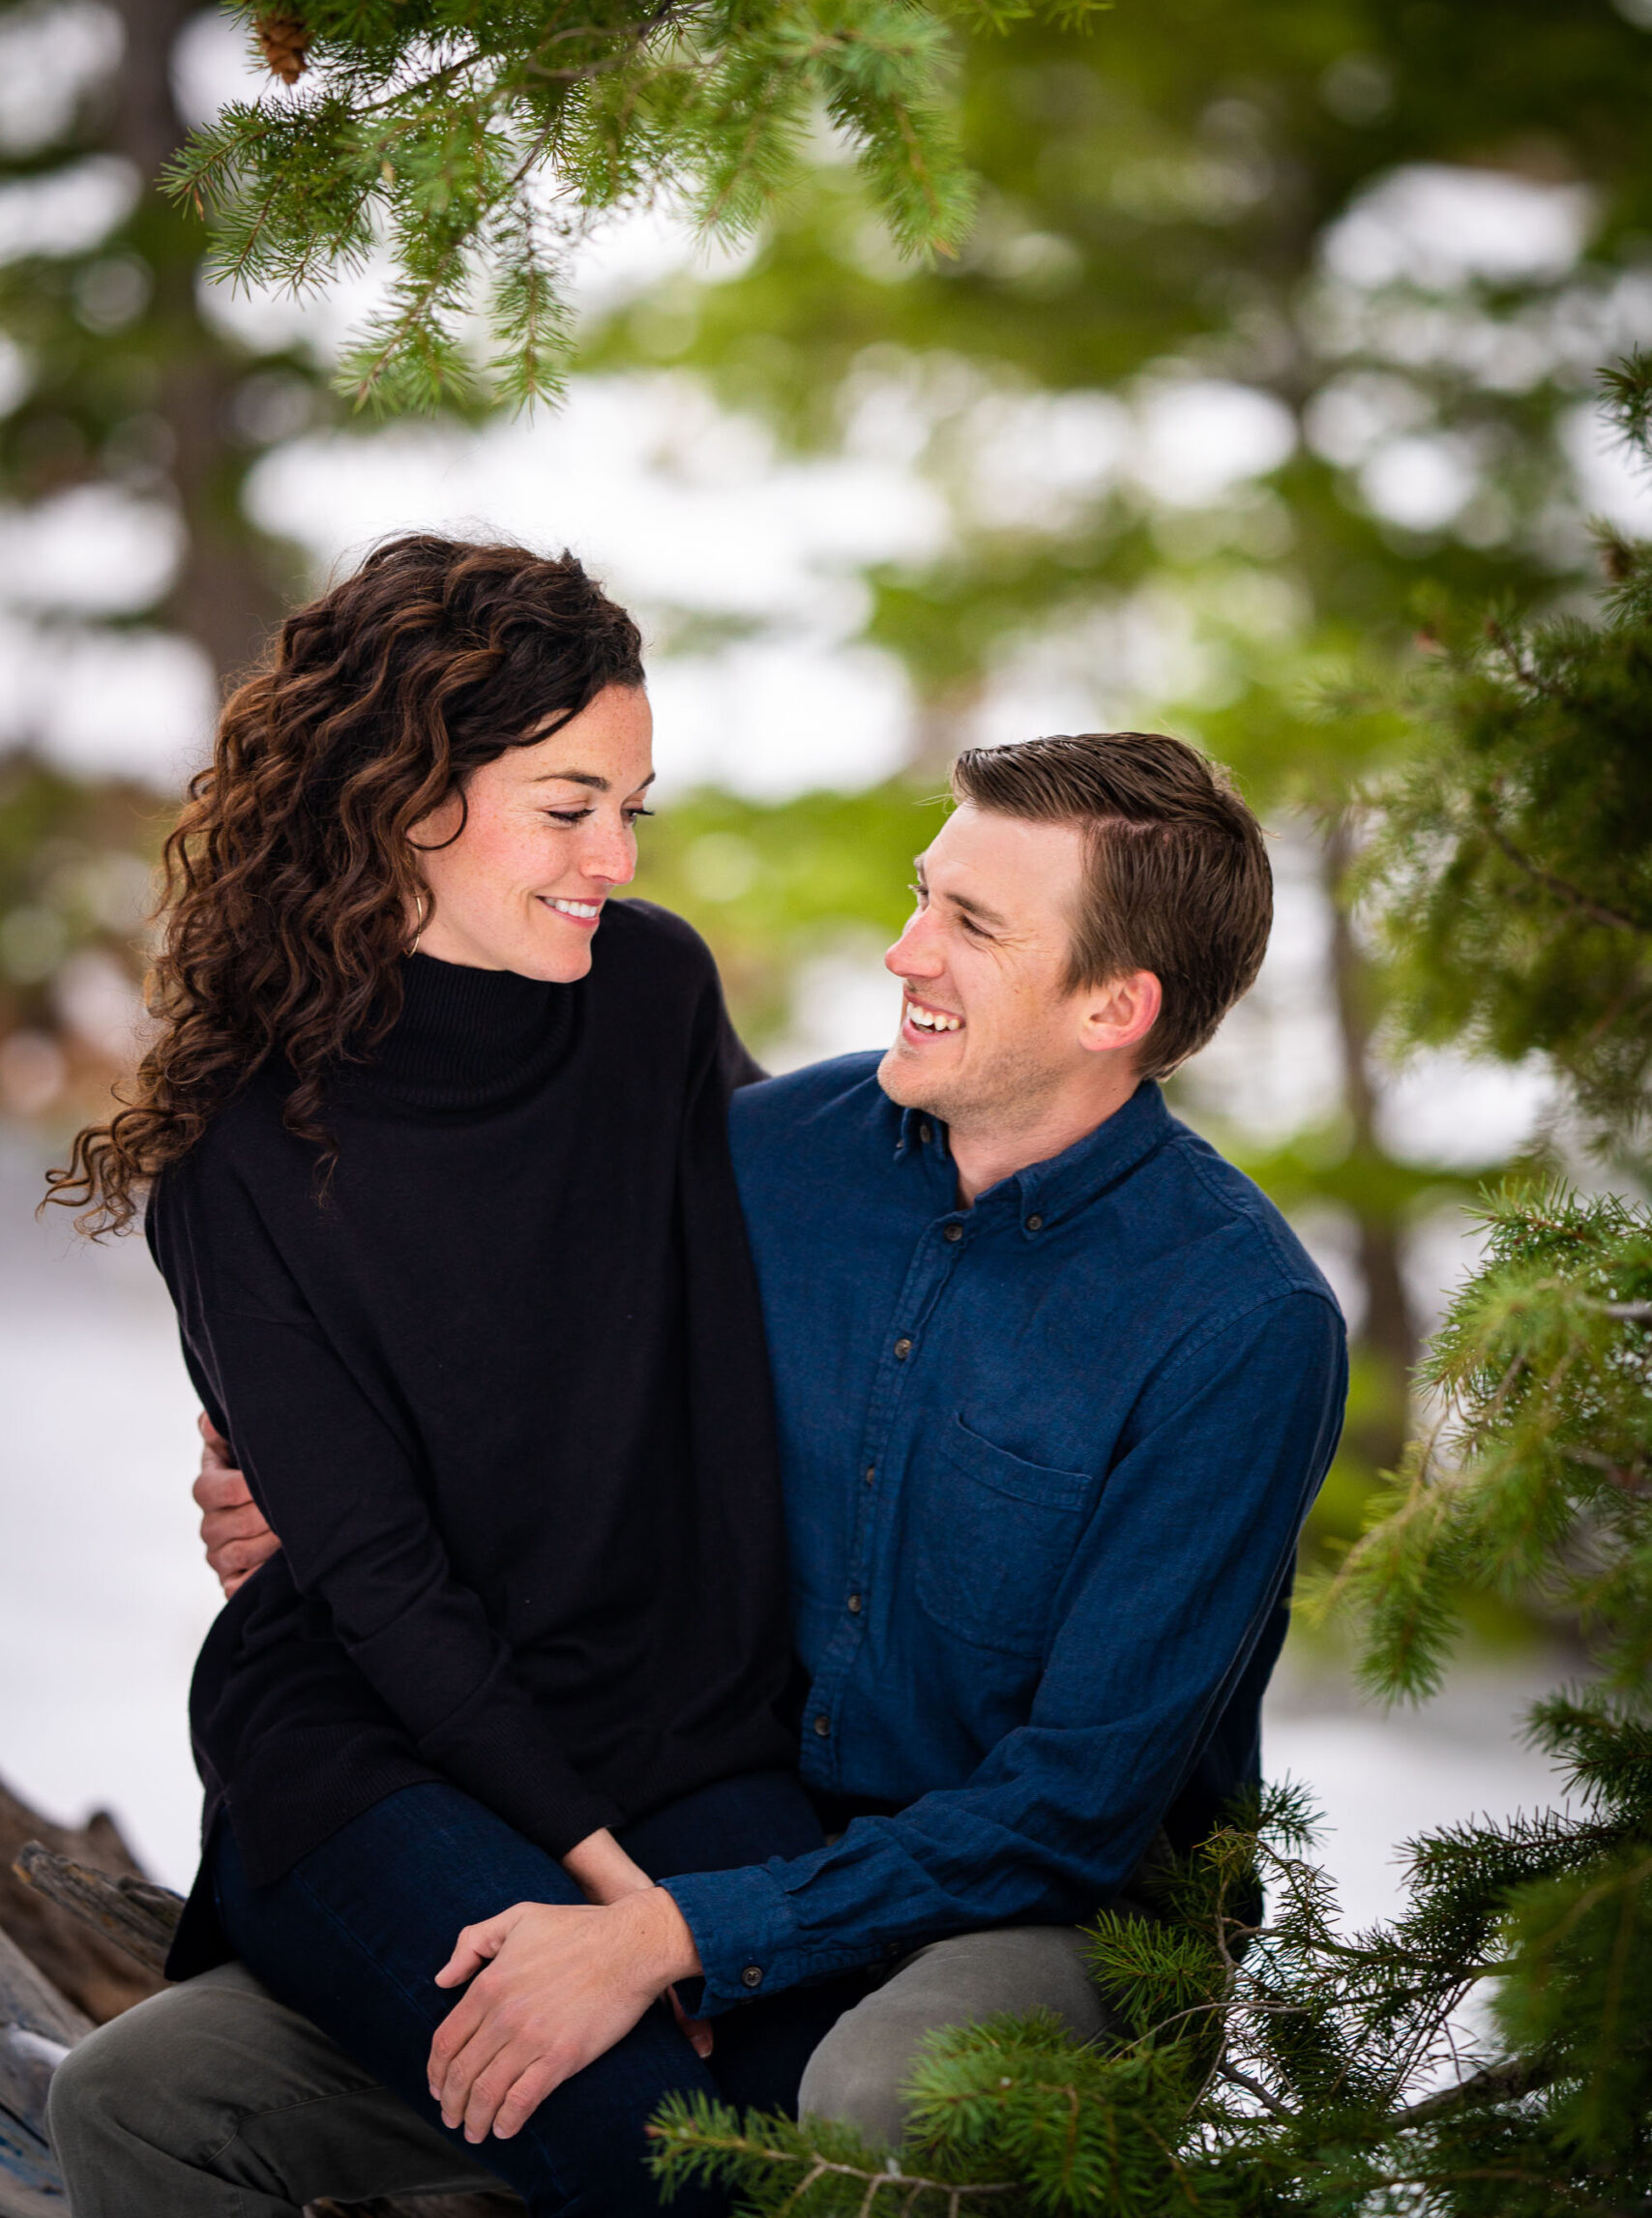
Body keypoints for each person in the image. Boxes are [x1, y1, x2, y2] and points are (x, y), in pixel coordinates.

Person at [49, 726, 1347, 2217]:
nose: (899, 950)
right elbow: (512, 1387)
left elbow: (1073, 1807)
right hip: (693, 1811)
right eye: (924, 892)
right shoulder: (766, 1154)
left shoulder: (1241, 1325)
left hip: (1029, 1909)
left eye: (972, 927)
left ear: (1119, 1004)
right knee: (146, 2102)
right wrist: (311, 1493)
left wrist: (676, 1931)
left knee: (873, 2102)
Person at [43, 532, 875, 2218]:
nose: (616, 858)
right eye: (568, 808)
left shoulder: (652, 994)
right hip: (382, 1752)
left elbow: (810, 1251)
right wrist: (631, 1913)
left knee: (823, 2130)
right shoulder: (243, 1161)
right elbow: (389, 1602)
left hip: (684, 1718)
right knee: (669, 2154)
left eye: (634, 807)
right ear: (400, 796)